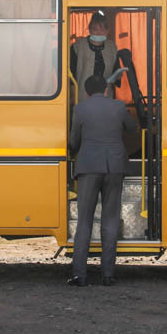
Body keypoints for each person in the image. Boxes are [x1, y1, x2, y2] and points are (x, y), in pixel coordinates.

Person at [67, 74, 138, 287]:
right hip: (114, 166)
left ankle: (80, 275)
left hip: (89, 166)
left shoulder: (81, 109)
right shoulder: (118, 106)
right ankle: (108, 275)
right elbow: (133, 128)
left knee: (85, 221)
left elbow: (74, 141)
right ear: (106, 89)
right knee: (110, 219)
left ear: (87, 91)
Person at [71, 11, 119, 100]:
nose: (99, 32)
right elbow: (71, 72)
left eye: (102, 29)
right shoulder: (78, 46)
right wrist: (73, 93)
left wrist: (116, 78)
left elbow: (116, 70)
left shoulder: (112, 47)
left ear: (108, 31)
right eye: (95, 29)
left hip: (106, 93)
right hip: (83, 93)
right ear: (89, 29)